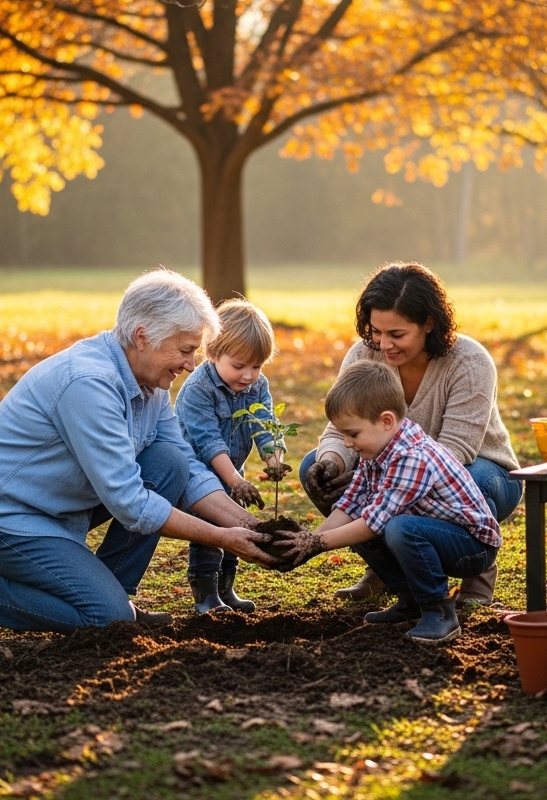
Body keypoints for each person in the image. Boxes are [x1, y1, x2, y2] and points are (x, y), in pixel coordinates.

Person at [0, 270, 273, 636]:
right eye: (186, 350)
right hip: (1, 515)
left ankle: (112, 593)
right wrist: (222, 537)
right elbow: (130, 502)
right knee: (106, 621)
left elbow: (184, 463)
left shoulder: (152, 383)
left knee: (169, 464)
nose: (191, 364)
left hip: (58, 503)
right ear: (142, 337)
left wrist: (250, 526)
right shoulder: (89, 384)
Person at [300, 262, 520, 607]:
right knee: (315, 468)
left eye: (397, 335)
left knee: (470, 478)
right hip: (395, 467)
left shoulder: (470, 361)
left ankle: (476, 576)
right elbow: (339, 427)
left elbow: (454, 452)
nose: (384, 344)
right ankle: (391, 575)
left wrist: (379, 480)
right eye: (376, 331)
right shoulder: (364, 354)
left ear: (428, 324)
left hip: (482, 471)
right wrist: (332, 462)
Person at [274, 362, 501, 642]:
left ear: (386, 421)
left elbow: (373, 522)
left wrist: (317, 544)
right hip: (434, 535)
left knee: (397, 528)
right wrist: (308, 542)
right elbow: (351, 505)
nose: (346, 443)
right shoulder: (378, 450)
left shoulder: (412, 457)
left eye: (353, 433)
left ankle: (439, 611)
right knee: (366, 527)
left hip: (471, 547)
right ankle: (410, 601)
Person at [174, 300, 289, 615]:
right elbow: (208, 442)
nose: (249, 376)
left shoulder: (256, 385)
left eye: (257, 366)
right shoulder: (199, 389)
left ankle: (227, 589)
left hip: (231, 473)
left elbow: (265, 425)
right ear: (213, 353)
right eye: (239, 366)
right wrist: (235, 481)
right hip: (199, 476)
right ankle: (206, 595)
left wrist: (274, 459)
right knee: (213, 530)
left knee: (236, 532)